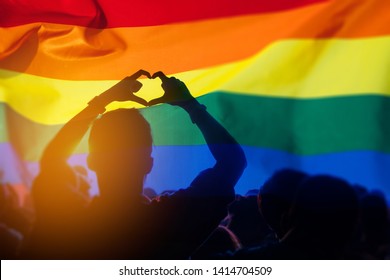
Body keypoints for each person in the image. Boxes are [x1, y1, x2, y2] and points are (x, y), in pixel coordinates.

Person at [23, 70, 246, 259]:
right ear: (148, 164)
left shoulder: (70, 222)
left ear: (92, 161)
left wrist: (100, 102)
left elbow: (53, 159)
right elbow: (233, 162)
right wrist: (190, 105)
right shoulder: (172, 219)